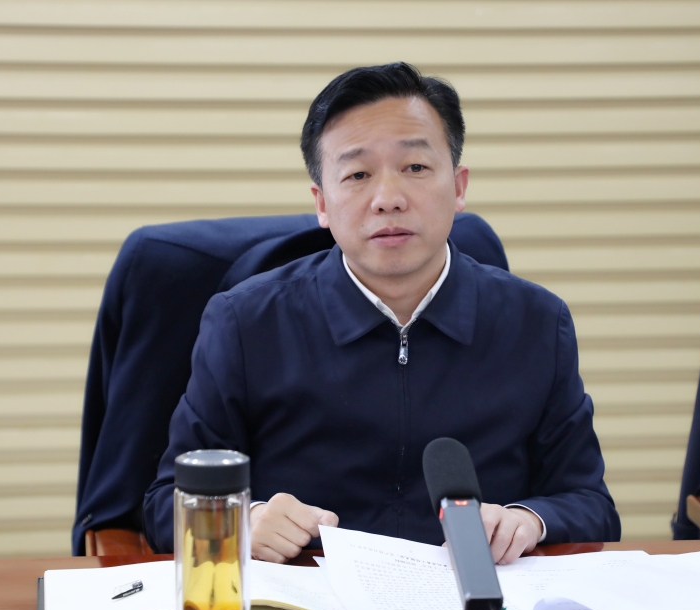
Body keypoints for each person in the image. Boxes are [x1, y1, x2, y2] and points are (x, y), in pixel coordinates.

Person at [143, 62, 620, 561]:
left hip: (472, 601)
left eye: (415, 168)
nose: (388, 199)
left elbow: (590, 504)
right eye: (357, 174)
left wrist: (529, 519)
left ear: (458, 187)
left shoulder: (536, 322)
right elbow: (164, 503)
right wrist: (245, 519)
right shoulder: (245, 323)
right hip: (307, 602)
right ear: (322, 204)